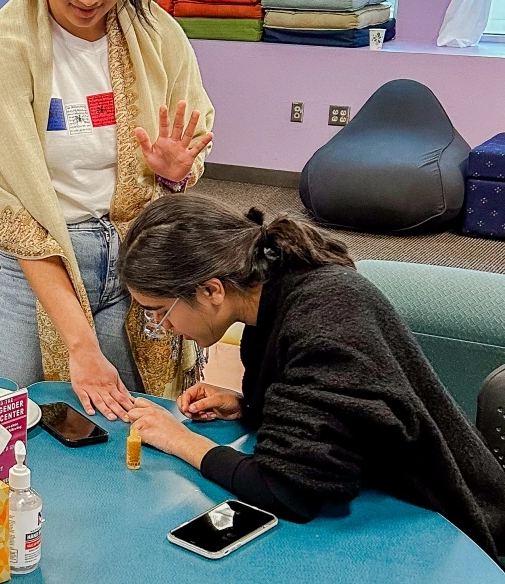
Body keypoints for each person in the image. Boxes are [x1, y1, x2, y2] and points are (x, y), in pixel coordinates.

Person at [0, 0, 214, 419]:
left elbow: (183, 167)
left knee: (138, 427)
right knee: (2, 430)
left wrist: (174, 177)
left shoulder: (159, 37)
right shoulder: (3, 53)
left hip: (137, 259)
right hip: (39, 268)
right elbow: (14, 216)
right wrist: (80, 343)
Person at [119, 196, 505, 559]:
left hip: (446, 530)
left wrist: (180, 440)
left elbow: (286, 491)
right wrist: (249, 405)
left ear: (210, 290)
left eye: (158, 311)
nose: (161, 326)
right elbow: (338, 408)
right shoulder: (274, 290)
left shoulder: (321, 319)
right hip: (379, 499)